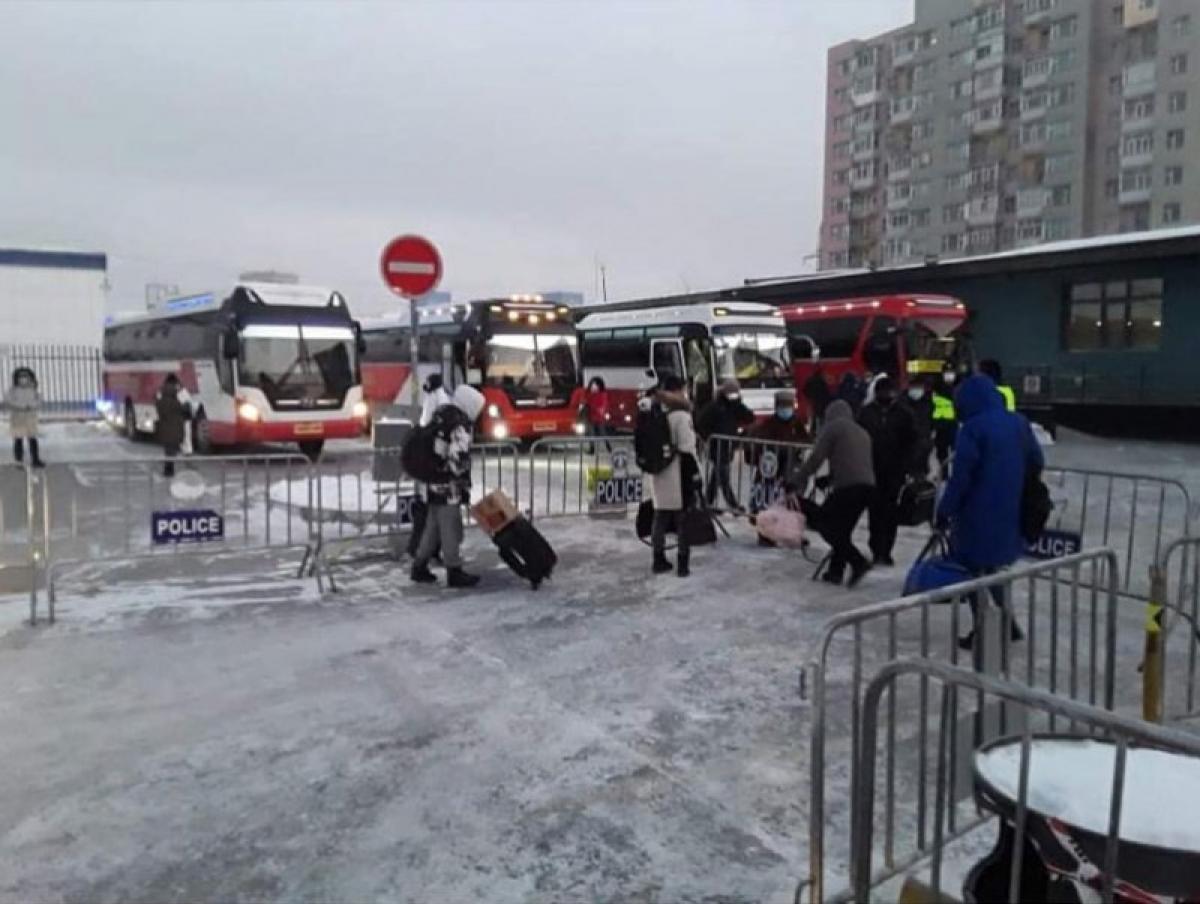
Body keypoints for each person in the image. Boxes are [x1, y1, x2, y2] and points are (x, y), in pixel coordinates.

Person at [936, 374, 1044, 650]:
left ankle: (984, 629)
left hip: (976, 513)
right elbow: (1037, 460)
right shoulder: (1018, 422)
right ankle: (1008, 623)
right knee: (994, 568)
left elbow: (961, 477)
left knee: (973, 571)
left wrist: (944, 510)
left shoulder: (973, 428)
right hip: (1010, 508)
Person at [789, 399, 875, 588]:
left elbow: (816, 458)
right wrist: (829, 478)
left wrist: (796, 480)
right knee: (842, 531)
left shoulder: (833, 428)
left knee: (827, 526)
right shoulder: (862, 432)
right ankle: (836, 572)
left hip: (847, 487)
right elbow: (854, 461)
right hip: (867, 487)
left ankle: (858, 562)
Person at [410, 384, 486, 588]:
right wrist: (462, 482)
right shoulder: (459, 425)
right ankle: (454, 571)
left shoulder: (442, 414)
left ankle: (419, 566)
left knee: (433, 528)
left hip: (431, 481)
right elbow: (457, 459)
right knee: (450, 528)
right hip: (447, 485)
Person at [857, 377, 919, 566]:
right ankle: (876, 549)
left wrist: (910, 466)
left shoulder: (904, 414)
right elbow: (859, 438)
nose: (886, 395)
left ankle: (886, 550)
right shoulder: (866, 413)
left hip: (895, 470)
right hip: (871, 469)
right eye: (882, 392)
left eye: (889, 392)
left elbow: (913, 441)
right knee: (874, 512)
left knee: (891, 512)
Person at [646, 376, 700, 578]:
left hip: (659, 471)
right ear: (677, 391)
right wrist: (695, 474)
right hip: (679, 472)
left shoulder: (656, 412)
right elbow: (687, 447)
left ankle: (657, 558)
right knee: (682, 519)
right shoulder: (680, 415)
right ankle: (683, 563)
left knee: (660, 517)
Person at [695, 378, 754, 512]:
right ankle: (733, 505)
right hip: (717, 446)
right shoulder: (715, 406)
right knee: (723, 476)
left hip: (728, 446)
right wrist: (707, 437)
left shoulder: (735, 406)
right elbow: (700, 422)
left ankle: (707, 503)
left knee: (716, 478)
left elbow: (749, 417)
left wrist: (739, 403)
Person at [6, 367, 44, 468]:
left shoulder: (32, 389)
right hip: (18, 418)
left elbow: (39, 400)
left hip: (30, 418)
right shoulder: (13, 390)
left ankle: (35, 459)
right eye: (21, 377)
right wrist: (21, 406)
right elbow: (9, 401)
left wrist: (31, 405)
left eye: (25, 377)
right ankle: (19, 460)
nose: (23, 379)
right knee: (18, 439)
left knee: (32, 439)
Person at [155, 375, 192, 478]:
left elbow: (158, 408)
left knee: (168, 450)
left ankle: (169, 469)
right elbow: (186, 409)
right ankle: (170, 469)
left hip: (164, 428)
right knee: (172, 450)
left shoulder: (161, 396)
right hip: (177, 428)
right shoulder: (177, 397)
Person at [906, 377, 935, 479]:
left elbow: (931, 422)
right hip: (908, 445)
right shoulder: (903, 404)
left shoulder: (929, 403)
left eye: (919, 387)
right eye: (914, 387)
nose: (916, 390)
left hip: (924, 444)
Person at [931, 371, 958, 478]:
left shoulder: (958, 387)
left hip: (952, 424)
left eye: (951, 373)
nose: (949, 376)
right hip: (941, 426)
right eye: (947, 373)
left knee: (955, 452)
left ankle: (954, 474)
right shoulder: (937, 388)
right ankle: (945, 475)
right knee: (942, 454)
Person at [803, 367, 832, 433]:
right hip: (820, 402)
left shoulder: (810, 380)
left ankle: (813, 431)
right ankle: (819, 431)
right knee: (820, 417)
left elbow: (804, 390)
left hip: (813, 401)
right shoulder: (822, 382)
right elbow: (826, 393)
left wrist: (809, 396)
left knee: (813, 416)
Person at [584, 376, 612, 445]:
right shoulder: (590, 394)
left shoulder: (602, 395)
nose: (593, 387)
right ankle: (593, 447)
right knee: (592, 433)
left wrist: (591, 405)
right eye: (592, 385)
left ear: (599, 386)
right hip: (591, 416)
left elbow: (602, 406)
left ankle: (608, 446)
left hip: (597, 417)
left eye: (594, 385)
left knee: (601, 432)